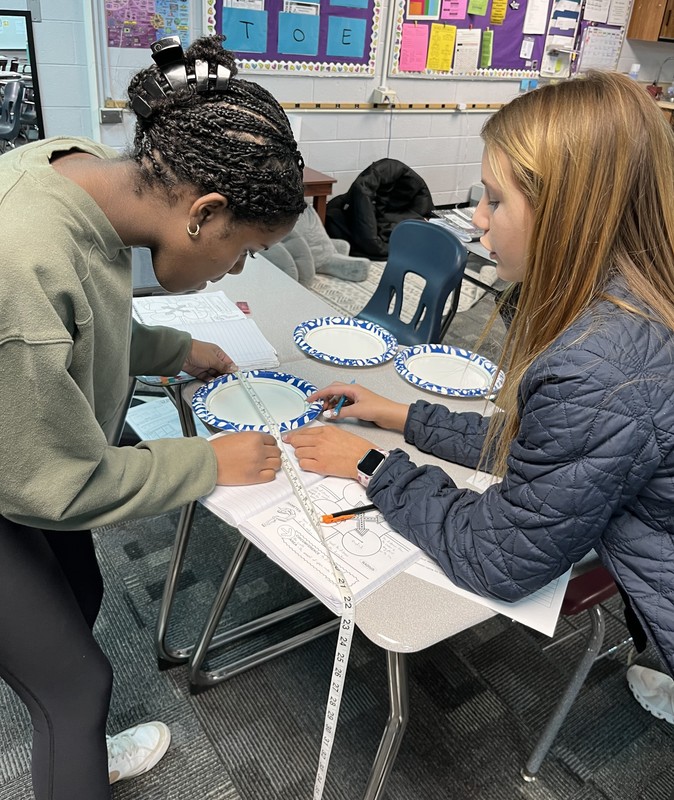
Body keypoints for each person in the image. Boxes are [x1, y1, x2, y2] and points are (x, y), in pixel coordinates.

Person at [284, 72, 674, 706]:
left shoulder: (599, 363)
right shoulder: (633, 303)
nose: (476, 218)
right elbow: (549, 445)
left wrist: (371, 465)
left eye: (495, 199)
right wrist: (403, 415)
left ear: (566, 213)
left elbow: (499, 557)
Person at [0, 34, 305, 800]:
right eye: (241, 251)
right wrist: (209, 464)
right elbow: (54, 483)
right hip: (18, 475)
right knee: (73, 687)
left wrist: (170, 345)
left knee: (80, 594)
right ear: (205, 212)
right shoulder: (24, 261)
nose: (233, 269)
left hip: (18, 438)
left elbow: (82, 322)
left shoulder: (69, 171)